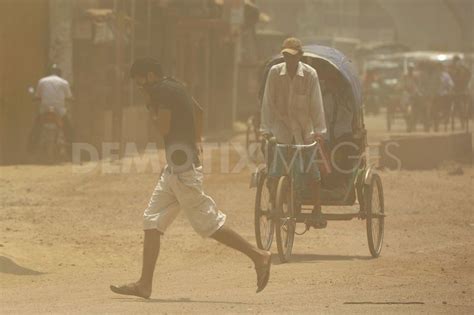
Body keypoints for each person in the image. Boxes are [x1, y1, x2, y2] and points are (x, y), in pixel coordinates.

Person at [110, 58, 271, 299]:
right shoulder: (176, 85)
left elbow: (163, 128)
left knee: (209, 224)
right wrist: (196, 140)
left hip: (183, 170)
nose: (138, 85)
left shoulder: (160, 93)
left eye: (139, 80)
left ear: (150, 75)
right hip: (175, 168)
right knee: (152, 220)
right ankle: (144, 284)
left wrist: (149, 107)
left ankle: (259, 256)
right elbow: (199, 111)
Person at [260, 37, 327, 229]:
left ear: (300, 56)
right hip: (281, 129)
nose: (288, 60)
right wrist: (265, 129)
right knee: (275, 172)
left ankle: (317, 209)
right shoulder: (274, 73)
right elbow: (267, 102)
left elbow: (316, 104)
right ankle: (276, 203)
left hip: (305, 131)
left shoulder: (309, 75)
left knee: (312, 173)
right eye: (285, 56)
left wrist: (319, 132)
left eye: (292, 56)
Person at [29, 64, 74, 151]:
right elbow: (69, 97)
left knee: (36, 127)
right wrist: (71, 99)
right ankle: (72, 151)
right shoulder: (64, 82)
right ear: (59, 73)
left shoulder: (42, 81)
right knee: (69, 129)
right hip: (59, 111)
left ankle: (31, 148)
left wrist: (35, 98)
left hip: (45, 109)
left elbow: (37, 96)